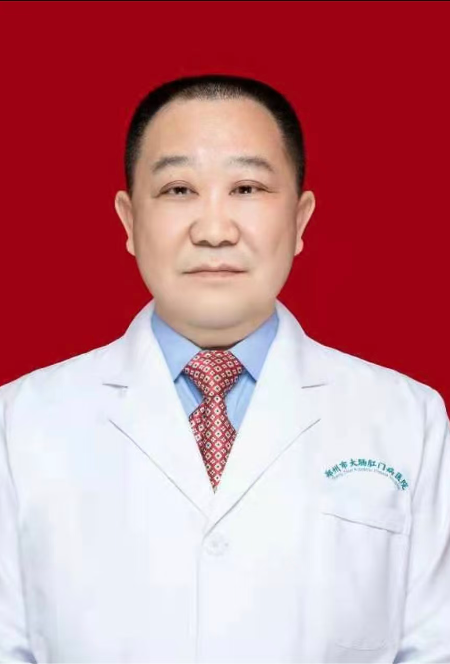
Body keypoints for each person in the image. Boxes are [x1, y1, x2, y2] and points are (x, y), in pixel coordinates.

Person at [0, 73, 449, 664]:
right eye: (178, 189)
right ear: (129, 221)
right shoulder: (19, 421)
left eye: (247, 188)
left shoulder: (408, 420)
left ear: (301, 220)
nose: (214, 231)